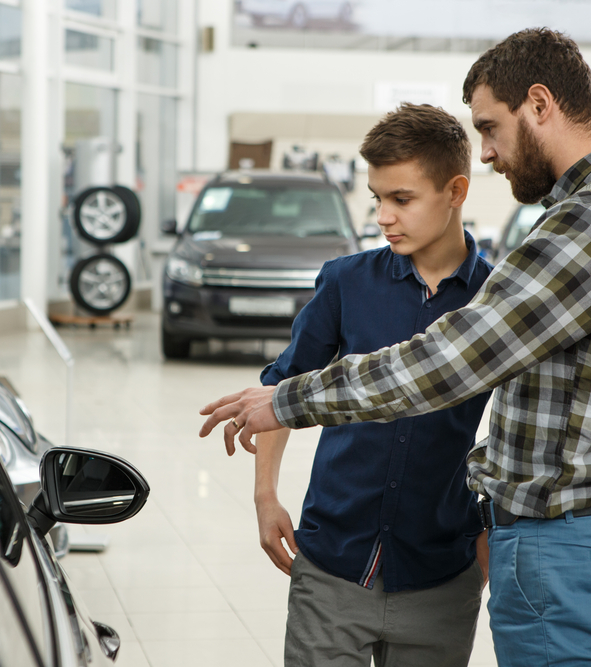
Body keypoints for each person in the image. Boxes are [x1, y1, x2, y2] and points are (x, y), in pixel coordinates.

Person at [200, 27, 591, 667]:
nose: (487, 152)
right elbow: (578, 399)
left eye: (491, 127)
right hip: (579, 536)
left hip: (563, 547)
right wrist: (493, 502)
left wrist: (286, 402)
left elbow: (450, 360)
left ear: (540, 105)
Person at [252, 103, 493, 667]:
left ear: (455, 191)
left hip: (442, 574)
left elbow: (521, 424)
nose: (384, 216)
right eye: (377, 199)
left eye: (401, 199)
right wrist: (265, 495)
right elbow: (281, 390)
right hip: (332, 563)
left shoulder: (497, 300)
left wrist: (486, 538)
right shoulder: (345, 282)